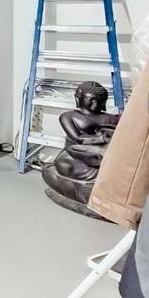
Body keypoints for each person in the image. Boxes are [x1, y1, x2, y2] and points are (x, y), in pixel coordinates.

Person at [42, 81, 120, 217]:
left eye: (99, 101)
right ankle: (95, 190)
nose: (95, 104)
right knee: (65, 165)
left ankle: (106, 190)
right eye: (91, 99)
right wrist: (101, 138)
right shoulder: (68, 116)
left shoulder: (110, 118)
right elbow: (77, 138)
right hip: (75, 154)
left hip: (104, 152)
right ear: (79, 98)